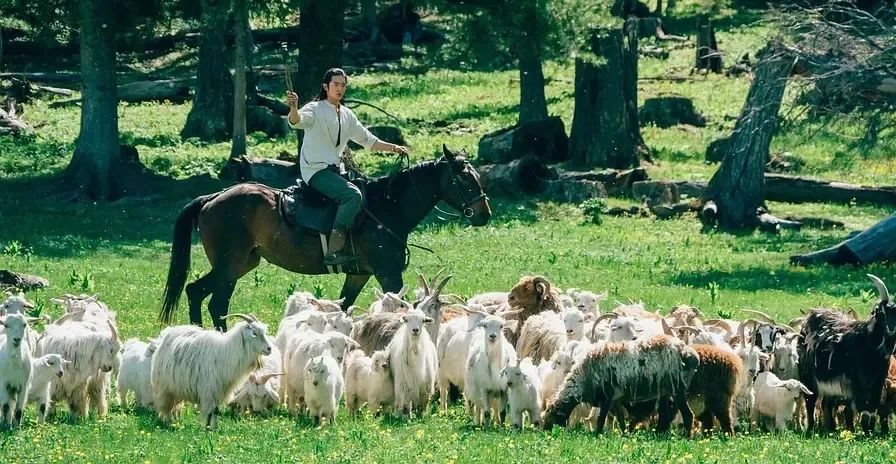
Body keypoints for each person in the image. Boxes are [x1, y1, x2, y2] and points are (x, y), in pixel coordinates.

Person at [286, 68, 409, 266]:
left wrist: (394, 148)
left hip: (336, 170)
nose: (340, 88)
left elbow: (368, 140)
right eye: (336, 84)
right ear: (326, 87)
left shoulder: (346, 114)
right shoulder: (314, 108)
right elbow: (297, 121)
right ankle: (333, 251)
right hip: (315, 171)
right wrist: (293, 107)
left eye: (343, 85)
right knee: (352, 195)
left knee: (364, 191)